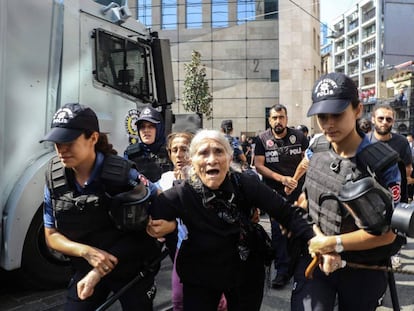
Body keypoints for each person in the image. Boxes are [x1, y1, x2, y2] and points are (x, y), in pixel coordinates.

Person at [147, 129, 314, 311]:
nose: (212, 159)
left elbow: (286, 212)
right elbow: (146, 217)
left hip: (245, 271)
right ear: (192, 161)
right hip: (201, 274)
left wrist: (318, 241)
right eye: (203, 153)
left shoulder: (244, 183)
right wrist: (168, 227)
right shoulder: (182, 193)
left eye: (219, 152)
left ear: (228, 157)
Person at [291, 72, 405, 311]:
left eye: (337, 114)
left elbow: (389, 234)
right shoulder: (317, 149)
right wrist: (319, 241)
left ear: (357, 110)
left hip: (363, 269)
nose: (329, 123)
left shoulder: (384, 164)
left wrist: (335, 244)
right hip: (317, 259)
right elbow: (305, 202)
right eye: (322, 116)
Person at [40, 103, 161, 310]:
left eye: (68, 141)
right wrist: (85, 251)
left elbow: (155, 213)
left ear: (93, 138)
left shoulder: (123, 175)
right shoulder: (55, 179)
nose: (61, 149)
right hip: (87, 265)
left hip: (130, 265)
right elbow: (51, 235)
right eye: (57, 142)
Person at [156, 132, 227, 311]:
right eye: (175, 150)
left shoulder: (207, 177)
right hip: (182, 249)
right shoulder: (165, 180)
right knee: (179, 300)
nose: (179, 155)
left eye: (184, 149)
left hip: (213, 250)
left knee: (219, 302)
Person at [254, 104, 309, 288]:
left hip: (297, 191)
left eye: (281, 117)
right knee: (278, 232)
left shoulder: (299, 137)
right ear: (269, 120)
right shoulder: (262, 139)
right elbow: (259, 166)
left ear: (286, 118)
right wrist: (281, 179)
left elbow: (307, 161)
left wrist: (292, 181)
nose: (278, 121)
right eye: (275, 118)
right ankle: (282, 271)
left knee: (298, 229)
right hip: (274, 193)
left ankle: (299, 267)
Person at [368, 103, 413, 203]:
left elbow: (408, 168)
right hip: (371, 196)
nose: (384, 122)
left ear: (393, 121)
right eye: (380, 118)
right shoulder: (363, 142)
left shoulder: (402, 142)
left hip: (396, 194)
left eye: (388, 119)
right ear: (373, 119)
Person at [124, 106, 173, 182]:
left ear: (159, 128)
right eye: (142, 127)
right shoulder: (131, 153)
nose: (146, 130)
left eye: (151, 126)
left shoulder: (171, 151)